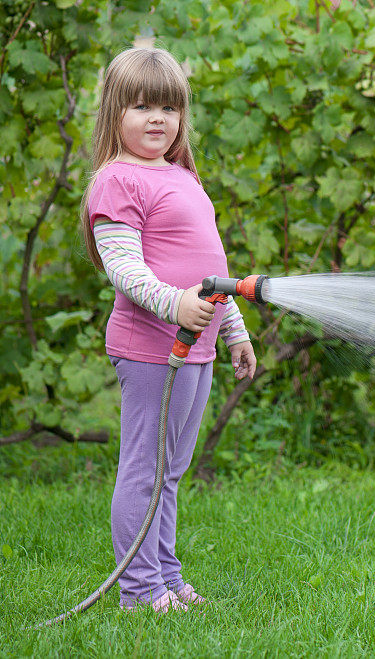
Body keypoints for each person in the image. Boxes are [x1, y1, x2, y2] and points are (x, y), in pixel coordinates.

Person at [79, 47, 257, 613]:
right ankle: (138, 591)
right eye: (141, 106)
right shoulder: (118, 180)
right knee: (145, 470)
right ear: (115, 113)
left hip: (196, 348)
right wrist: (175, 304)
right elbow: (124, 268)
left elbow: (210, 265)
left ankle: (166, 576)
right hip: (150, 348)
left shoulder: (181, 174)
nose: (157, 118)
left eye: (168, 107)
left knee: (171, 472)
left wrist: (234, 330)